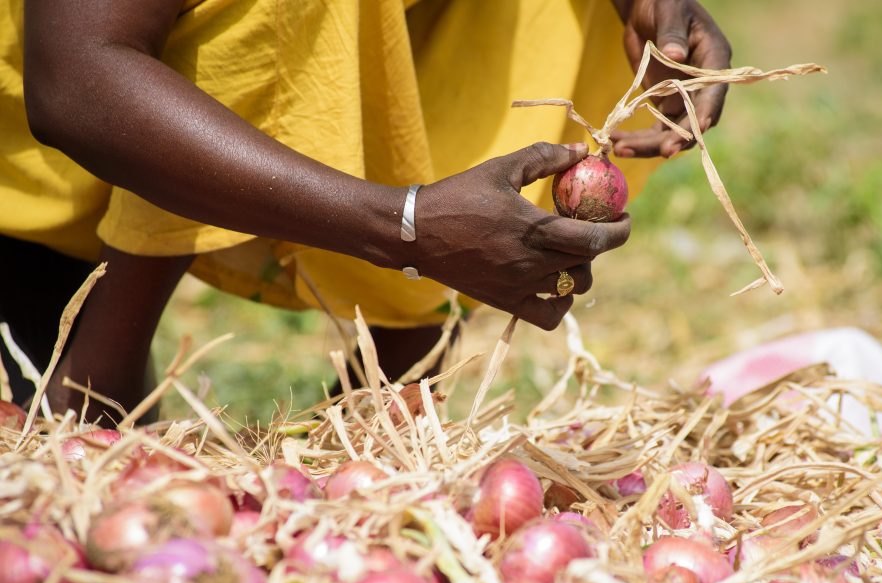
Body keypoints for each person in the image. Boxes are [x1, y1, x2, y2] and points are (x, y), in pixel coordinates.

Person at [0, 0, 730, 424]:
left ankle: (389, 394)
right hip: (39, 181)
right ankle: (97, 382)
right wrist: (405, 225)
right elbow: (72, 76)